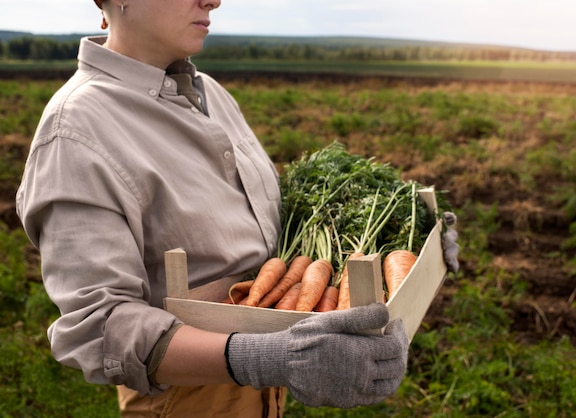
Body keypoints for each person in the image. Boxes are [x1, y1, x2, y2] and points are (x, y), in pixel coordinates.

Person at [16, 1, 459, 416]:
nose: (213, 1)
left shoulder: (209, 93)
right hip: (186, 392)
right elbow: (101, 327)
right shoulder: (76, 130)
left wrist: (410, 247)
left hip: (264, 380)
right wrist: (264, 357)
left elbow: (262, 215)